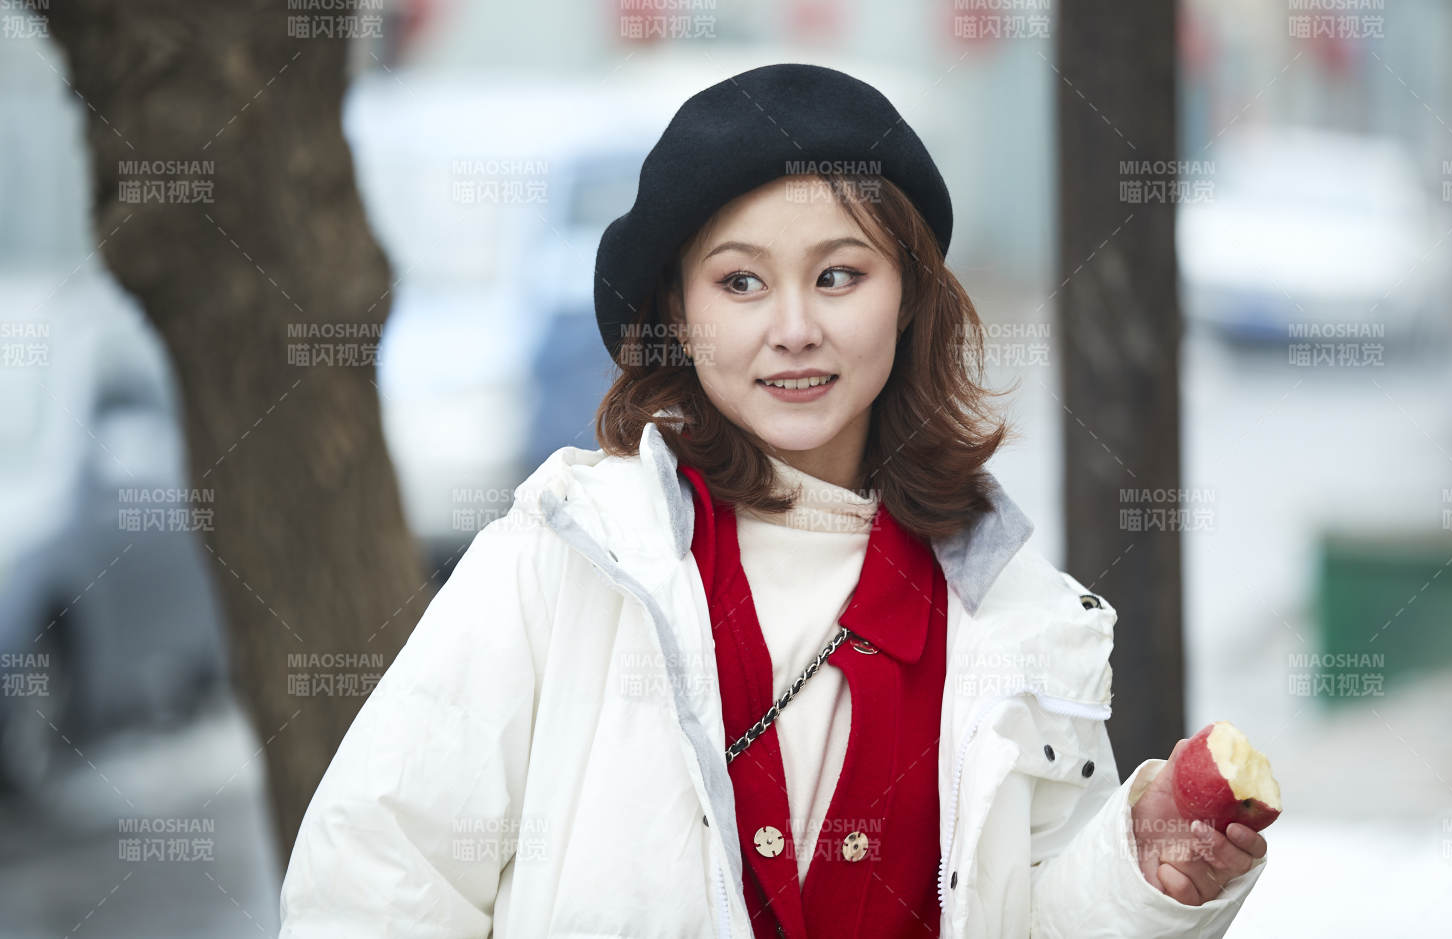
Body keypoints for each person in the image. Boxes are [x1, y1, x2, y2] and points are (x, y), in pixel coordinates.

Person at [277, 63, 1268, 938]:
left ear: (911, 295)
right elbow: (375, 884)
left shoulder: (1015, 624)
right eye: (740, 281)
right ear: (680, 312)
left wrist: (1136, 876)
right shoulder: (565, 564)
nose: (793, 327)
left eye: (838, 274)